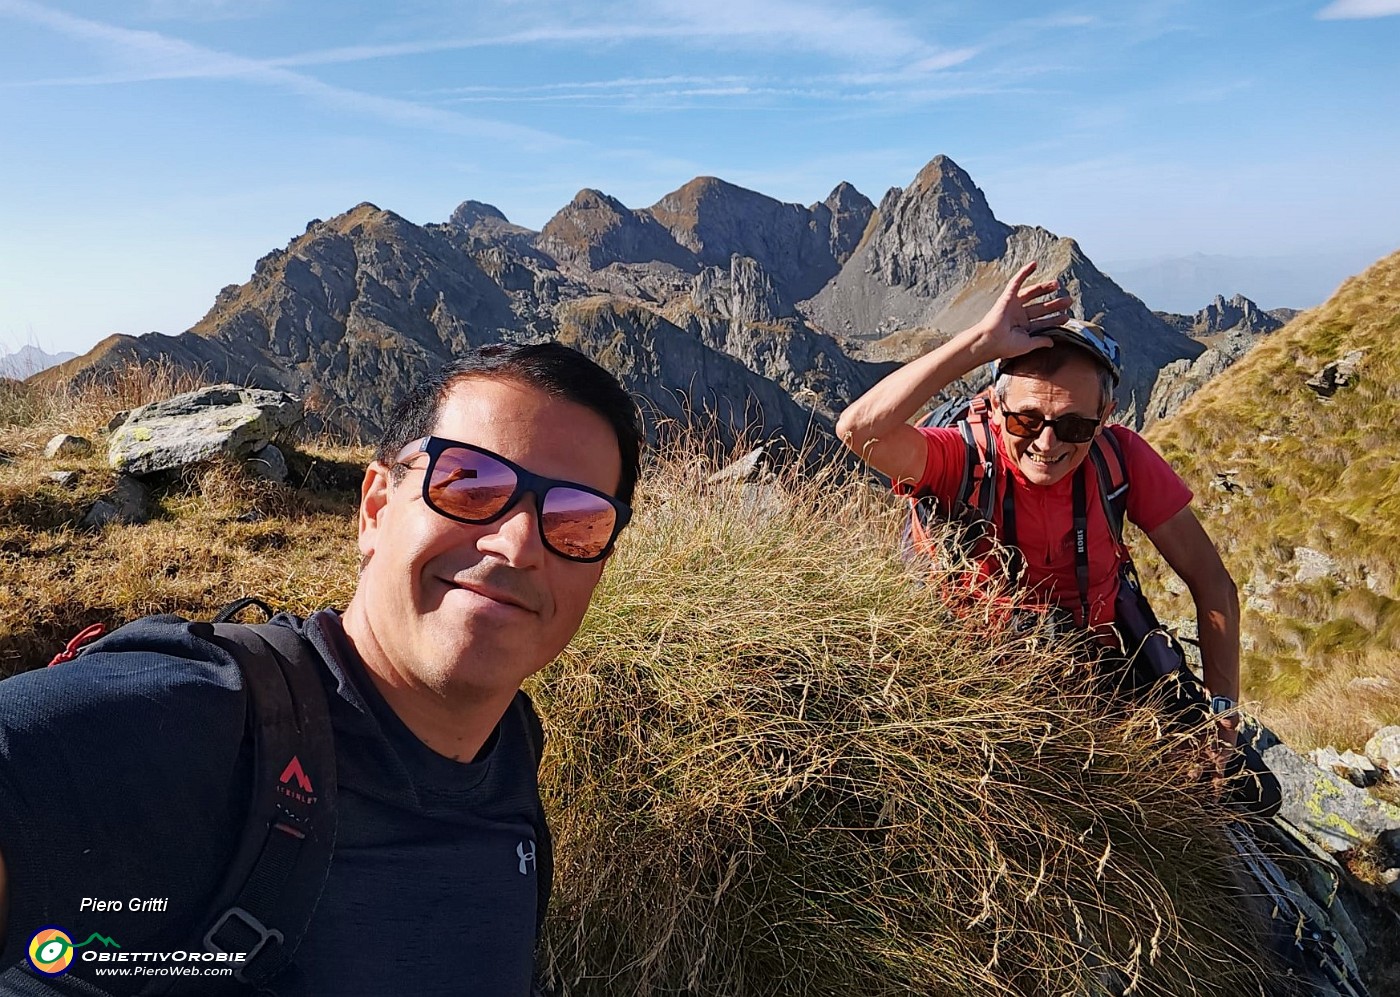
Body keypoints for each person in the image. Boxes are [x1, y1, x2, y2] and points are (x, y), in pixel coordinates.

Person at [0, 342, 643, 995]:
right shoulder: (205, 721)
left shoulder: (511, 752)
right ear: (375, 509)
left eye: (576, 521)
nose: (517, 544)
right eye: (470, 484)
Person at [836, 263, 1277, 810]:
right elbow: (858, 430)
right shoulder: (963, 459)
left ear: (1105, 416)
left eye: (1072, 426)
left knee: (1248, 795)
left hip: (1097, 665)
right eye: (1025, 420)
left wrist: (1221, 715)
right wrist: (979, 343)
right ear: (996, 407)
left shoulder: (1121, 459)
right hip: (976, 682)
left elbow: (1213, 584)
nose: (1047, 443)